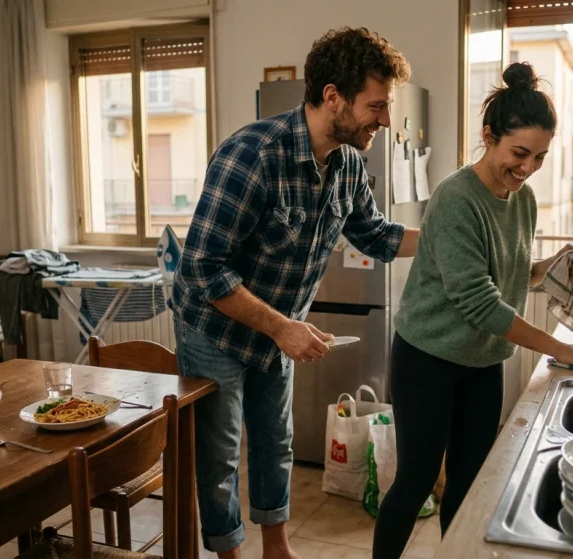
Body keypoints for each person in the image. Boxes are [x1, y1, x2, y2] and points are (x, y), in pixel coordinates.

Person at [169, 27, 418, 559]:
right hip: (214, 326)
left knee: (275, 442)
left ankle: (276, 548)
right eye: (376, 106)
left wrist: (453, 237)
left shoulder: (348, 164)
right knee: (219, 456)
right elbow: (200, 270)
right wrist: (283, 326)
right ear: (333, 97)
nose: (385, 120)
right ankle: (229, 553)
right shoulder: (252, 154)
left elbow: (375, 234)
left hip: (278, 329)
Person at [371, 62, 573, 558]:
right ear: (489, 136)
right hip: (428, 360)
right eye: (519, 153)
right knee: (417, 482)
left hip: (483, 365)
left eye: (540, 157)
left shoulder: (522, 201)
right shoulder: (455, 199)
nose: (528, 167)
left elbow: (510, 274)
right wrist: (561, 349)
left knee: (468, 489)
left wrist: (553, 266)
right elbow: (479, 301)